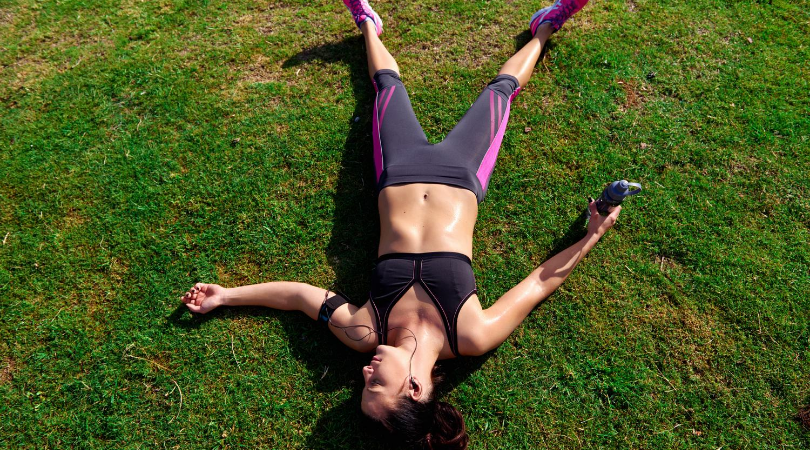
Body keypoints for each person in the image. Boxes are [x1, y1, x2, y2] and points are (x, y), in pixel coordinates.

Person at [181, 0, 621, 448]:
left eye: (362, 386)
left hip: (398, 169)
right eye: (374, 385)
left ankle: (368, 26)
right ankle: (545, 27)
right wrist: (592, 234)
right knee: (502, 89)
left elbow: (297, 296)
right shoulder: (470, 333)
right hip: (461, 173)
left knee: (386, 83)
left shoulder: (364, 329)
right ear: (413, 389)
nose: (365, 374)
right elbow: (541, 282)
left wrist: (227, 296)